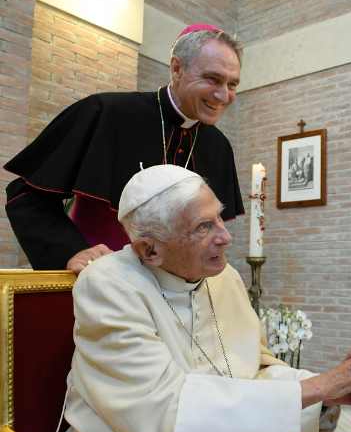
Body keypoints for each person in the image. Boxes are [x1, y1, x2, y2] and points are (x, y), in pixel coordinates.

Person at [45, 164, 351, 432]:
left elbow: (255, 368)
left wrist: (325, 394)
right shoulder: (108, 284)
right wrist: (315, 389)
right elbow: (161, 411)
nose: (225, 237)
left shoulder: (225, 278)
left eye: (220, 219)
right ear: (149, 249)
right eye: (203, 227)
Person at [4, 24, 244, 274]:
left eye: (233, 84)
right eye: (212, 79)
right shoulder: (105, 113)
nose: (223, 95)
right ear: (176, 69)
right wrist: (71, 251)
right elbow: (26, 195)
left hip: (178, 297)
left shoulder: (219, 147)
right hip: (103, 285)